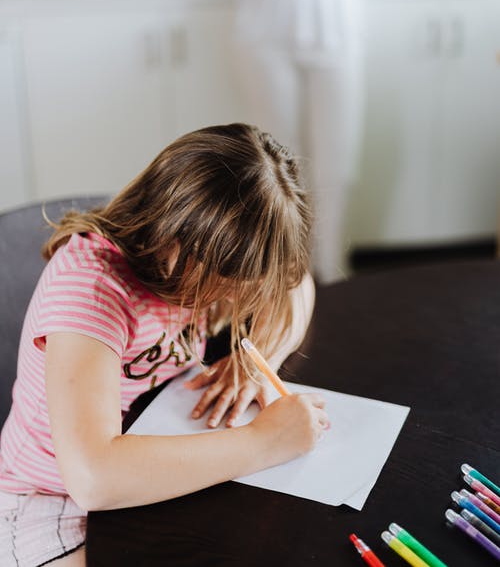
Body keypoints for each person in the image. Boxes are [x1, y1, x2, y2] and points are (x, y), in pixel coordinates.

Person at [0, 123, 329, 567]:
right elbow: (92, 476)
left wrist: (255, 363)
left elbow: (296, 288)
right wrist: (265, 440)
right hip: (46, 501)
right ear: (175, 240)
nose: (234, 300)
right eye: (227, 283)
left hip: (149, 469)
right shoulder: (92, 289)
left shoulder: (191, 265)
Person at [230, 0, 384, 283]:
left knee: (335, 163)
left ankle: (331, 270)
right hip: (268, 32)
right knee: (278, 165)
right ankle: (288, 277)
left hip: (336, 30)